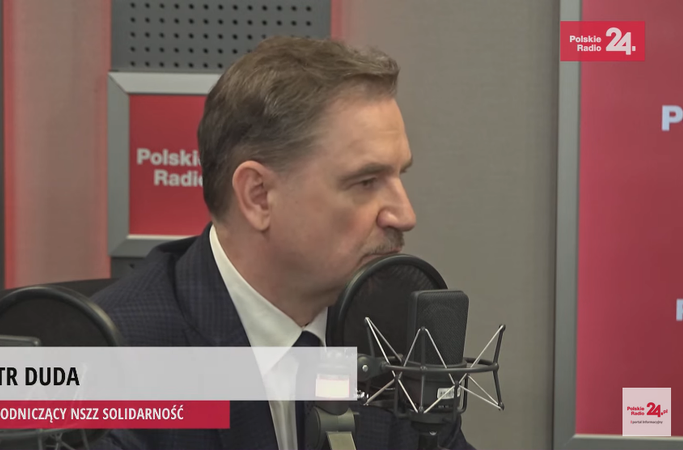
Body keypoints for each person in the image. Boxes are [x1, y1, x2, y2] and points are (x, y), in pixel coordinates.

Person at [92, 35, 473, 450]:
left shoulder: (390, 330)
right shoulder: (110, 363)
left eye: (399, 176)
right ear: (258, 196)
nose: (404, 215)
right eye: (366, 182)